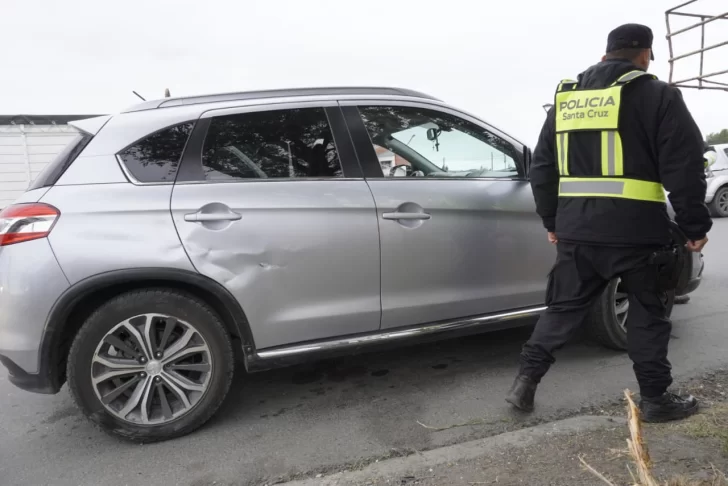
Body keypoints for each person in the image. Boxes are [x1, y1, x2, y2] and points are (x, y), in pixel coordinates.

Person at [506, 23, 712, 422]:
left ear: (604, 55)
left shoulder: (567, 100)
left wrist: (552, 220)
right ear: (644, 55)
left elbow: (543, 169)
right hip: (637, 235)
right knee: (648, 315)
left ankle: (525, 381)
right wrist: (694, 226)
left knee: (562, 308)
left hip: (577, 231)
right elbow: (684, 166)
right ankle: (655, 399)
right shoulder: (658, 94)